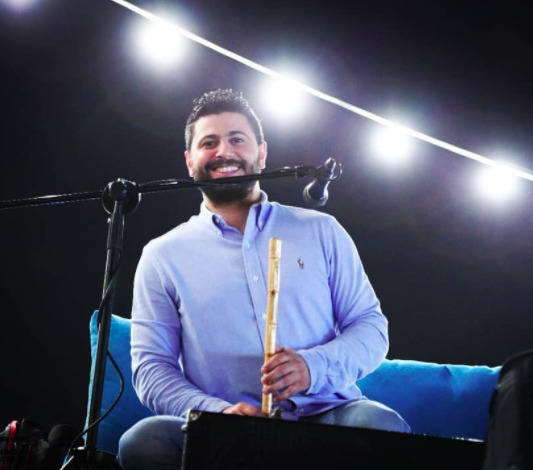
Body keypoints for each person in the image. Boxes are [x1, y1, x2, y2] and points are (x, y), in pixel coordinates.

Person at [118, 89, 410, 469]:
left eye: (237, 139)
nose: (224, 152)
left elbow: (370, 328)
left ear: (262, 153)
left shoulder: (322, 230)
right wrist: (218, 414)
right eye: (209, 143)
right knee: (143, 442)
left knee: (381, 427)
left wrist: (312, 367)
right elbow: (152, 370)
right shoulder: (161, 256)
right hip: (224, 432)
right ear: (190, 161)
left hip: (326, 421)